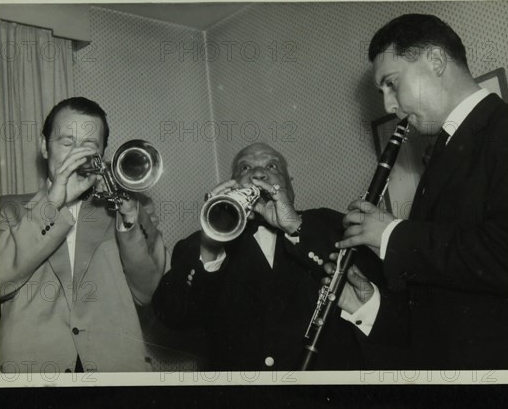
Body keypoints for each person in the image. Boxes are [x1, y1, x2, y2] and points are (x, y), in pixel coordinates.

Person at [332, 14, 508, 369]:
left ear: (435, 61)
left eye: (391, 83)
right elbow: (447, 304)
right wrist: (369, 306)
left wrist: (392, 235)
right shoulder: (446, 151)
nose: (388, 106)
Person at [153, 143, 367, 371]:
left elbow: (370, 294)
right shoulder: (203, 242)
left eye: (271, 165)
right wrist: (211, 245)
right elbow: (172, 314)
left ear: (289, 183)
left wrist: (295, 227)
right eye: (245, 168)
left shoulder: (330, 224)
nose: (257, 174)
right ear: (232, 183)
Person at [0, 97, 167, 373]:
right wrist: (52, 204)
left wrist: (128, 220)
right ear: (44, 147)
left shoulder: (132, 209)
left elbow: (147, 293)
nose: (78, 155)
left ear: (102, 153)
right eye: (67, 143)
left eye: (89, 146)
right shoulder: (8, 209)